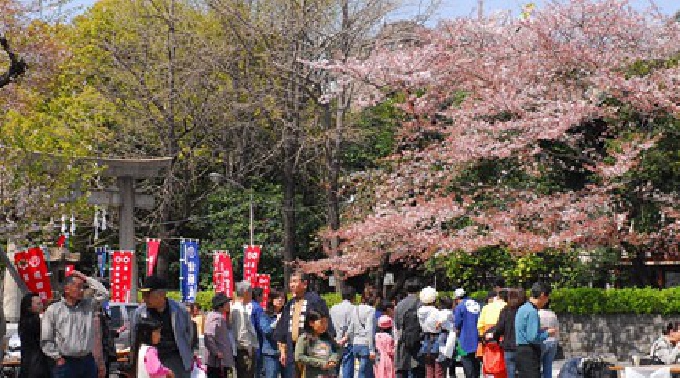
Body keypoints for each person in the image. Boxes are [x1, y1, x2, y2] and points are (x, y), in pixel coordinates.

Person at [41, 270, 109, 378]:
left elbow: (104, 293)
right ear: (67, 289)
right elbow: (46, 338)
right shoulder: (54, 310)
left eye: (83, 287)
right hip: (66, 362)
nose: (82, 290)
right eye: (78, 287)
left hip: (87, 360)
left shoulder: (88, 305)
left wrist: (85, 278)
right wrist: (57, 358)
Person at [273, 271, 335, 378]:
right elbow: (282, 328)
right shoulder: (289, 304)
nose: (291, 285)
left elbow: (325, 325)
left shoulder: (315, 301)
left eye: (295, 281)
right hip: (292, 349)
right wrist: (283, 350)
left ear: (304, 284)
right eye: (290, 282)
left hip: (311, 348)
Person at [132, 275, 194, 378]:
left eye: (148, 295)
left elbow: (189, 334)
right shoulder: (140, 313)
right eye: (143, 295)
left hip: (176, 358)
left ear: (162, 294)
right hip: (151, 359)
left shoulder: (179, 310)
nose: (144, 298)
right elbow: (134, 339)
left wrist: (188, 353)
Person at [515, 282, 556, 378]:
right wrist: (547, 333)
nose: (547, 301)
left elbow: (524, 329)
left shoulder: (523, 308)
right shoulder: (532, 312)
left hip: (520, 350)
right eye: (547, 297)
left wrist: (539, 329)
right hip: (530, 352)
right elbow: (532, 337)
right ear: (542, 295)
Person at [294, 310, 339, 378]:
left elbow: (336, 350)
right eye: (321, 322)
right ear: (311, 323)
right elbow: (299, 357)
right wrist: (321, 363)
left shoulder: (328, 338)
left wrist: (333, 360)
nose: (324, 325)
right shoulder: (304, 338)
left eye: (326, 322)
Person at [394, 277, 423, 378]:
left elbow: (397, 325)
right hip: (418, 341)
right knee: (418, 370)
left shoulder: (399, 305)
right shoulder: (421, 304)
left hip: (403, 341)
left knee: (403, 369)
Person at [493, 289, 526, 378]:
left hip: (508, 346)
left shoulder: (505, 311)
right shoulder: (523, 310)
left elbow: (499, 328)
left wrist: (496, 339)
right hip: (521, 346)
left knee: (510, 373)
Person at [231, 280, 258, 377]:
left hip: (242, 350)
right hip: (244, 351)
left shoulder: (239, 307)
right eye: (251, 292)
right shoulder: (240, 310)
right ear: (246, 292)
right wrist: (249, 349)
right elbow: (242, 333)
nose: (252, 295)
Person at [18, 292, 50, 378]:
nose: (41, 305)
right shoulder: (30, 321)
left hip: (37, 363)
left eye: (41, 303)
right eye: (38, 304)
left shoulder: (33, 320)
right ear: (29, 308)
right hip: (34, 365)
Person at [204, 293, 235, 378]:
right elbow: (209, 336)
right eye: (227, 303)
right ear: (221, 306)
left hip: (221, 360)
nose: (229, 305)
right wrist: (216, 352)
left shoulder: (220, 316)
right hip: (217, 362)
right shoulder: (216, 317)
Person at [348, 290, 377, 378]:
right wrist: (372, 349)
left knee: (366, 371)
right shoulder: (371, 310)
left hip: (356, 343)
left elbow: (351, 327)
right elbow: (369, 329)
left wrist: (352, 342)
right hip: (366, 345)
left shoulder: (355, 309)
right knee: (364, 372)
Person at [454, 288, 480, 378]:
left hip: (464, 336)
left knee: (465, 359)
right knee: (475, 359)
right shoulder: (476, 303)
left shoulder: (460, 306)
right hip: (477, 336)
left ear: (457, 298)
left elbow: (457, 323)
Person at [417, 286, 443, 378]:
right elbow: (441, 324)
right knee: (438, 367)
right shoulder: (436, 311)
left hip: (425, 337)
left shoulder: (419, 311)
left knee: (428, 367)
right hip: (437, 337)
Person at [330, 286, 355, 378]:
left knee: (333, 369)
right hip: (347, 342)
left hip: (334, 341)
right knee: (347, 369)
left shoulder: (333, 308)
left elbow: (329, 325)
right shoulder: (354, 309)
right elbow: (352, 327)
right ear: (353, 297)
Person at [262, 290, 287, 378]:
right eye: (277, 297)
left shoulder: (287, 314)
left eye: (283, 298)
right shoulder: (265, 314)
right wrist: (277, 321)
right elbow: (266, 331)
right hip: (271, 353)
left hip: (286, 352)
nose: (280, 300)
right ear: (271, 299)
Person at [538, 303, 559, 378]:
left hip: (542, 340)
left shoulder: (538, 313)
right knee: (548, 365)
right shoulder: (553, 314)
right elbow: (557, 328)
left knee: (538, 365)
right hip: (553, 340)